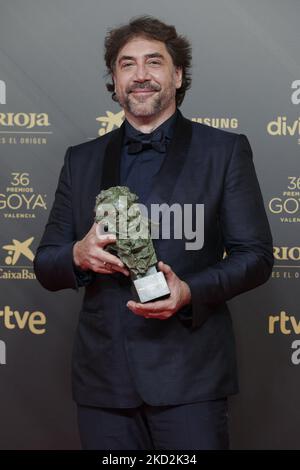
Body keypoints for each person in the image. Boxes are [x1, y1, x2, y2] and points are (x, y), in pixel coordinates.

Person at [33, 15, 274, 450]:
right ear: (114, 79)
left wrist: (189, 291)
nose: (140, 75)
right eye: (127, 64)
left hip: (191, 379)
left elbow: (255, 256)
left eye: (154, 62)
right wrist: (77, 255)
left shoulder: (224, 152)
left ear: (178, 75)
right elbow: (46, 263)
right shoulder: (81, 160)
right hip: (103, 383)